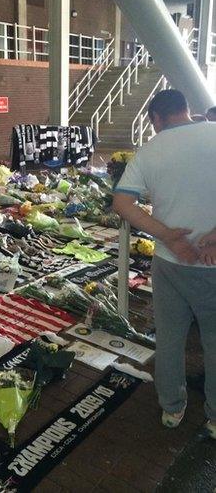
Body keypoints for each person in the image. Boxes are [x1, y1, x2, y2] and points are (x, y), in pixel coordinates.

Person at [113, 89, 216, 437]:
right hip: (213, 264)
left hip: (170, 261)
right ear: (186, 110)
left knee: (170, 339)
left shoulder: (150, 150)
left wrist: (169, 235)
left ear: (156, 118)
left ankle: (172, 408)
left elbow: (123, 204)